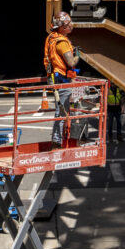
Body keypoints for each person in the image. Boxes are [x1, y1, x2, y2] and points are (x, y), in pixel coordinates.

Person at [44, 10, 79, 148]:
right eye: (69, 23)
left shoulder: (52, 37)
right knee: (61, 110)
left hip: (55, 77)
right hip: (61, 79)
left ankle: (59, 138)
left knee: (62, 109)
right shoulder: (62, 42)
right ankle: (57, 141)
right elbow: (71, 63)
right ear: (63, 26)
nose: (71, 25)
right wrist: (78, 55)